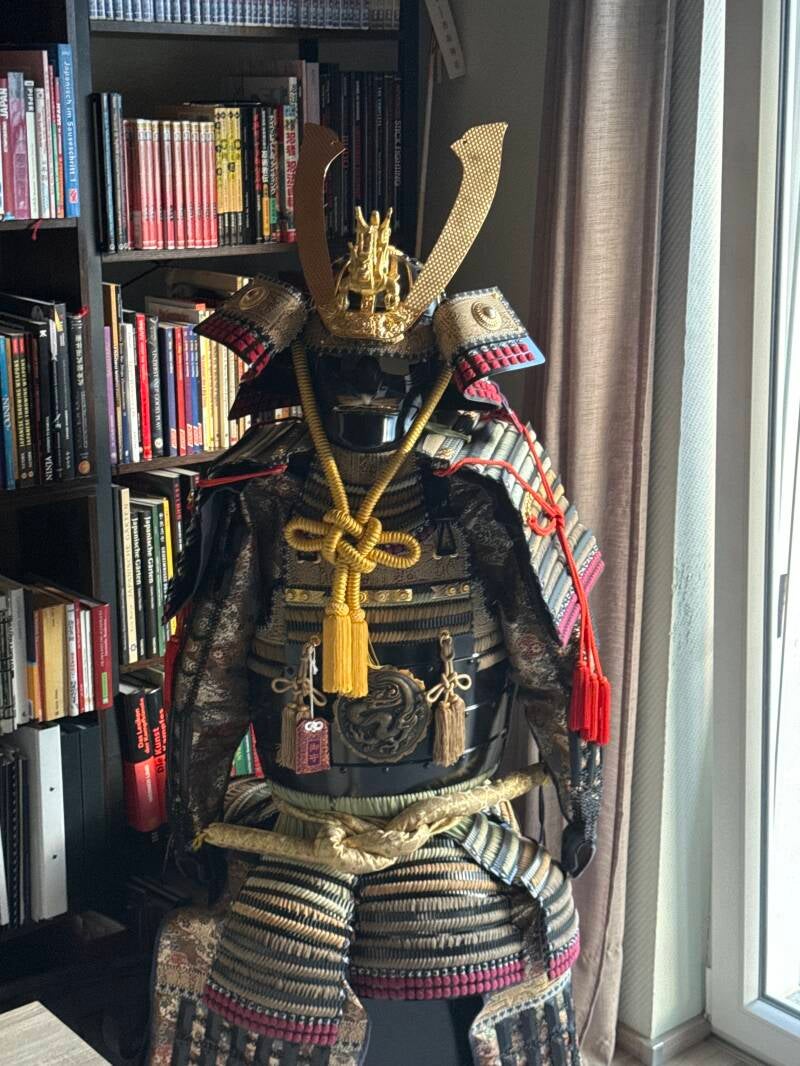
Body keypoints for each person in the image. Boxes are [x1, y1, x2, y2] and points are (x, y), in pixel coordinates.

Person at [148, 123, 609, 1066]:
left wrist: (581, 796)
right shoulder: (264, 486)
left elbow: (549, 659)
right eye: (347, 367)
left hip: (452, 832)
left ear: (430, 363)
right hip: (300, 832)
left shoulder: (483, 484)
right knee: (257, 971)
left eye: (387, 368)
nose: (368, 388)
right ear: (307, 363)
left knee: (481, 961)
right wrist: (194, 807)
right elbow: (214, 667)